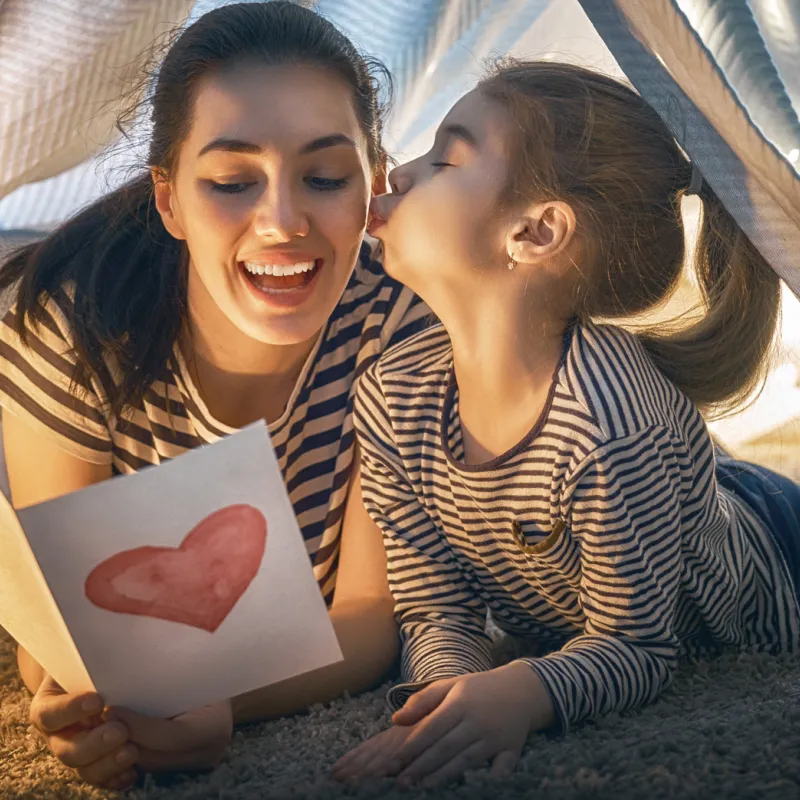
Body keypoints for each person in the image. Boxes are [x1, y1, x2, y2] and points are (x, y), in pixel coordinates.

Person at [333, 60, 800, 789]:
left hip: (775, 541)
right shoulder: (391, 398)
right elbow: (433, 610)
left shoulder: (607, 428)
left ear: (536, 231)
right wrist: (446, 702)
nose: (398, 174)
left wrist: (525, 691)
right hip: (676, 495)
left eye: (445, 158)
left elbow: (641, 648)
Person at [0, 2, 429, 791]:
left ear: (372, 184)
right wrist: (87, 711)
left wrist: (216, 701)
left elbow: (369, 620)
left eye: (327, 176)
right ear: (169, 200)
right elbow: (54, 628)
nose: (282, 220)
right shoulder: (71, 327)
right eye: (232, 181)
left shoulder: (400, 326)